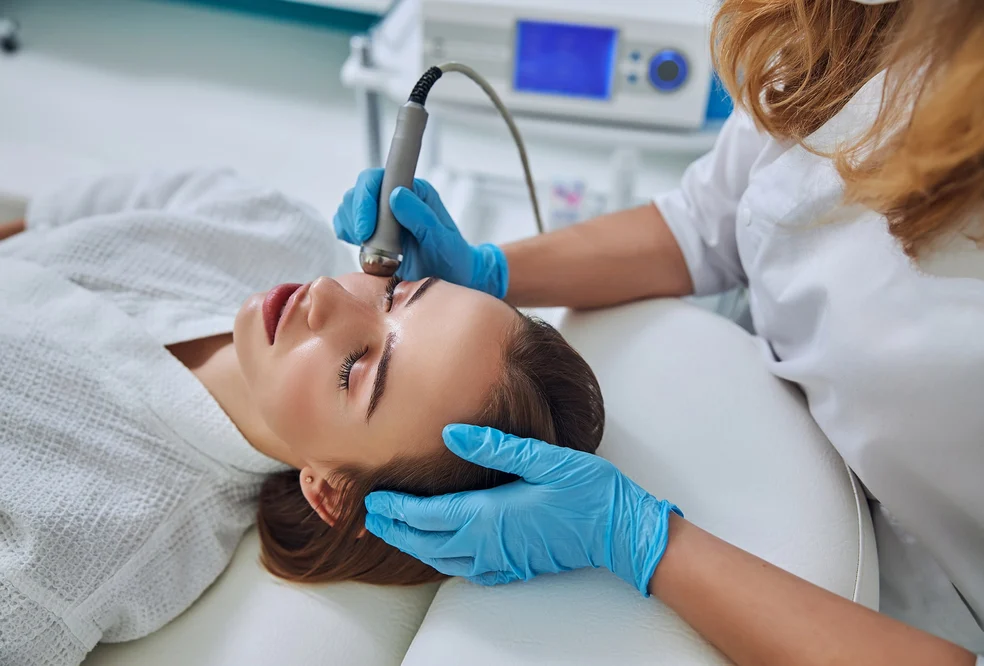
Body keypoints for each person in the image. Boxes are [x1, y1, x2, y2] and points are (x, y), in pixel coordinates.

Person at [333, 0, 984, 664]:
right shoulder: (844, 21)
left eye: (355, 370)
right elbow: (709, 223)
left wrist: (643, 542)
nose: (318, 307)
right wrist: (490, 269)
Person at [0, 168, 604, 665]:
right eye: (396, 293)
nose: (324, 294)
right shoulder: (271, 225)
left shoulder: (77, 555)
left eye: (354, 370)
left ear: (331, 492)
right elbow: (52, 212)